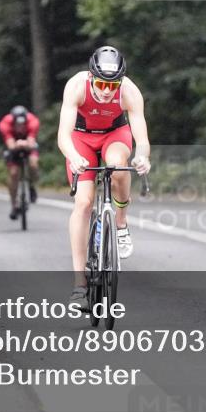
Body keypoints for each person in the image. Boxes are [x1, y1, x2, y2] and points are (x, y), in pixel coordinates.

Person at [57, 46, 151, 311]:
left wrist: (142, 157)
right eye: (101, 84)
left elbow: (141, 138)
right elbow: (63, 135)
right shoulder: (76, 86)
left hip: (114, 135)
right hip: (80, 138)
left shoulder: (129, 91)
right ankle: (80, 284)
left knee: (118, 165)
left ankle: (120, 224)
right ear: (91, 77)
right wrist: (74, 157)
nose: (107, 90)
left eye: (113, 85)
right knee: (84, 203)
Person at [0, 104, 41, 219]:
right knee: (13, 173)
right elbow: (11, 145)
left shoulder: (33, 122)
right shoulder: (5, 124)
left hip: (28, 145)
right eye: (17, 124)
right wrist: (17, 145)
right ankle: (14, 204)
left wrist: (25, 144)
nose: (20, 127)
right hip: (13, 146)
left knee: (33, 164)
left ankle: (32, 185)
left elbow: (31, 142)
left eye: (22, 124)